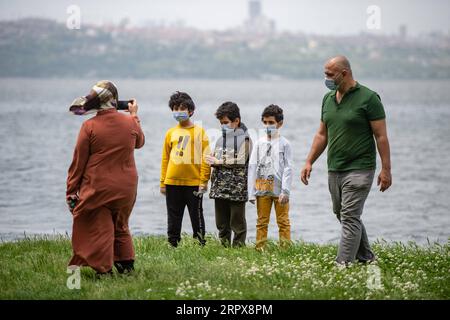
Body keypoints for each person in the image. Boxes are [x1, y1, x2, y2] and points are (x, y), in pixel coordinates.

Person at [300, 55, 392, 266]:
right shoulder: (328, 99)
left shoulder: (369, 99)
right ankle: (366, 257)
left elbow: (381, 136)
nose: (326, 78)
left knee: (350, 216)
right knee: (341, 213)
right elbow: (322, 134)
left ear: (345, 73)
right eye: (325, 74)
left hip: (360, 168)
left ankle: (343, 263)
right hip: (335, 168)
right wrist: (308, 162)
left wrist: (386, 169)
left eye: (330, 74)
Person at [66, 80, 145, 275]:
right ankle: (126, 267)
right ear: (115, 101)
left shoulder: (89, 126)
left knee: (99, 227)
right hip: (127, 187)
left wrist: (71, 191)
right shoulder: (129, 122)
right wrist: (134, 116)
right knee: (120, 224)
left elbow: (78, 163)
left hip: (99, 187)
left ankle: (103, 269)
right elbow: (140, 143)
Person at [160, 91, 211, 247]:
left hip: (193, 183)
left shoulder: (199, 132)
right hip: (172, 182)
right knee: (173, 215)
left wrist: (203, 181)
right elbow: (165, 158)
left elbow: (205, 158)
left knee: (196, 215)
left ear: (190, 110)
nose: (178, 112)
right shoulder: (170, 133)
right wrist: (163, 182)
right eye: (175, 109)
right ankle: (172, 243)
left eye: (182, 108)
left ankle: (200, 243)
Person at [206, 102, 252, 247]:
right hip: (220, 188)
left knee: (237, 223)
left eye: (225, 122)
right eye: (221, 123)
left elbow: (240, 160)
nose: (223, 126)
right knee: (221, 223)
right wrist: (211, 160)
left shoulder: (245, 139)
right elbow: (217, 158)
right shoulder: (221, 139)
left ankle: (238, 249)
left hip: (236, 189)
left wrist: (218, 161)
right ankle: (224, 248)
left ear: (236, 121)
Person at [248, 104, 293, 250]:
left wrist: (285, 191)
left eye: (271, 123)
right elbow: (253, 166)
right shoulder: (259, 143)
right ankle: (260, 248)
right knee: (261, 221)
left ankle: (285, 249)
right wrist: (251, 192)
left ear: (279, 123)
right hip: (262, 187)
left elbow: (288, 168)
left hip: (279, 189)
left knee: (283, 221)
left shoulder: (285, 144)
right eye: (265, 122)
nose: (268, 125)